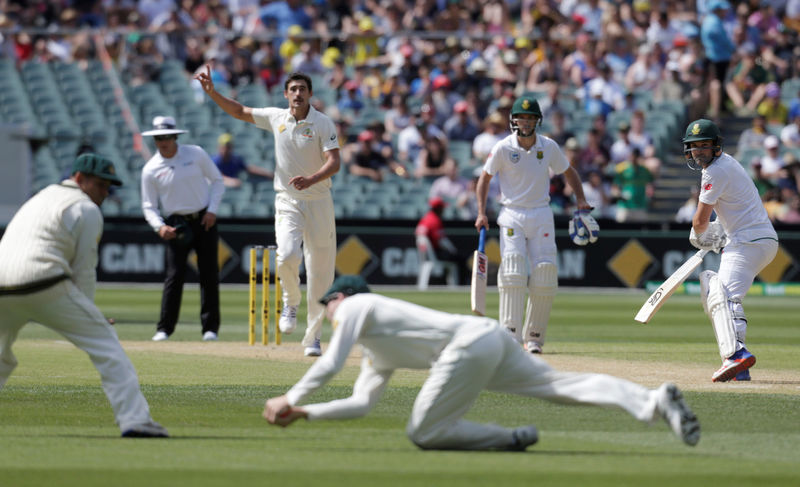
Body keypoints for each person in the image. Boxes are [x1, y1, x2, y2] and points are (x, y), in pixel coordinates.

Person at [262, 275, 701, 451]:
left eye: (330, 304)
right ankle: (652, 401)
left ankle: (507, 440)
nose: (330, 312)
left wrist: (289, 395)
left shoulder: (361, 304)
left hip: (467, 346)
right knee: (558, 385)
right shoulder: (377, 351)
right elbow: (360, 403)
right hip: (487, 339)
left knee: (421, 431)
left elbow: (330, 365)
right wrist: (304, 413)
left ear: (343, 297)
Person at [0, 153, 168, 438]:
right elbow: (84, 271)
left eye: (108, 187)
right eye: (100, 185)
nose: (104, 193)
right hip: (43, 281)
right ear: (79, 178)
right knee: (107, 346)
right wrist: (90, 312)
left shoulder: (40, 197)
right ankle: (135, 420)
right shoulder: (86, 209)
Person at [195, 67, 340, 357]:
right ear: (286, 94)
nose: (298, 93)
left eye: (302, 89)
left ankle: (312, 337)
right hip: (287, 199)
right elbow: (239, 111)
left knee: (320, 273)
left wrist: (311, 179)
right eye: (293, 89)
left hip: (320, 201)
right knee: (286, 254)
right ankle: (290, 300)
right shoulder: (276, 117)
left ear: (310, 94)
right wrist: (213, 93)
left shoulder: (323, 123)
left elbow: (334, 162)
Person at [474, 95, 597, 354]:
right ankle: (509, 335)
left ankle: (534, 338)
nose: (526, 122)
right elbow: (484, 179)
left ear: (537, 121)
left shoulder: (548, 146)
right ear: (513, 120)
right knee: (513, 269)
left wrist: (581, 199)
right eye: (522, 117)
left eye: (531, 118)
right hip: (511, 213)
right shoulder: (503, 148)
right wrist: (481, 212)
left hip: (541, 212)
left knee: (544, 272)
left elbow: (569, 172)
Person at [682, 119, 779, 382]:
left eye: (704, 145)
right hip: (754, 238)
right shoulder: (725, 164)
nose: (699, 151)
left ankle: (735, 354)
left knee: (720, 294)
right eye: (694, 146)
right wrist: (716, 233)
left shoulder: (715, 171)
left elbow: (699, 221)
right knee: (720, 295)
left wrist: (701, 236)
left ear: (716, 146)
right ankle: (739, 365)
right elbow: (731, 212)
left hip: (748, 241)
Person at [140, 116, 225, 342]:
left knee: (209, 274)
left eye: (167, 136)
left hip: (204, 219)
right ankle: (164, 329)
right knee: (174, 277)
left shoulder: (195, 154)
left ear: (175, 136)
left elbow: (217, 181)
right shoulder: (150, 169)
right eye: (158, 138)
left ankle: (210, 329)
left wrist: (212, 211)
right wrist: (160, 227)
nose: (163, 142)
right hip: (175, 224)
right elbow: (148, 206)